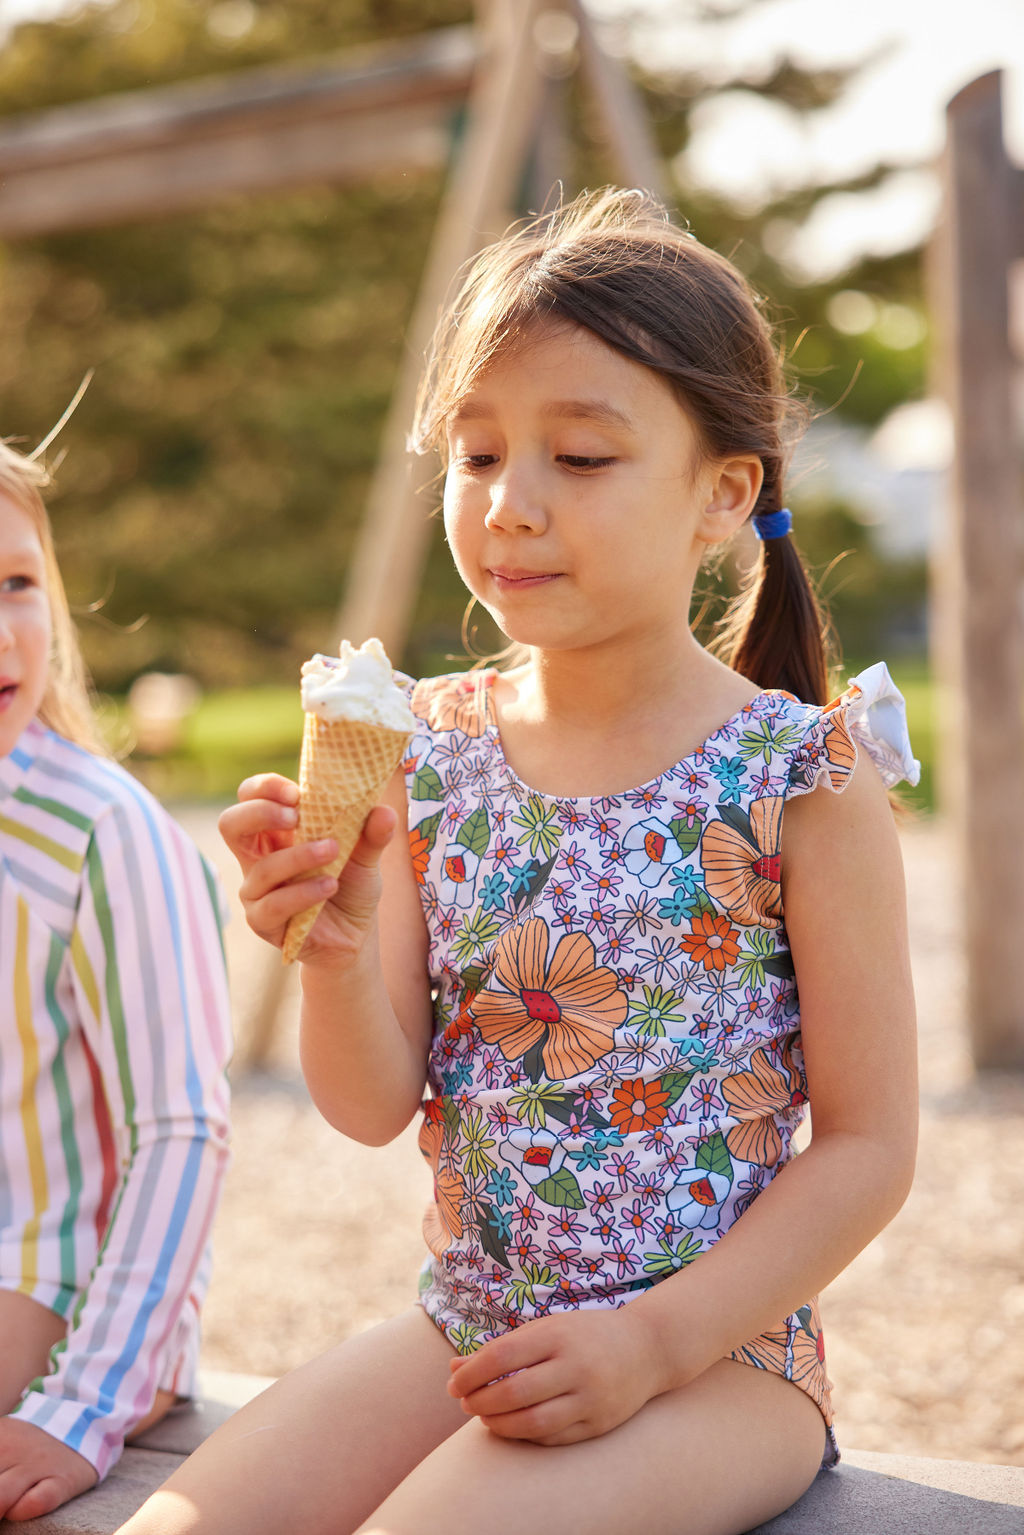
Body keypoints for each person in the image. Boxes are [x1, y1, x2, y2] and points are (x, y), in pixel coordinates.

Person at [122, 187, 918, 1535]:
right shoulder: (425, 749)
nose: (510, 504)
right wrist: (331, 945)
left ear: (723, 494)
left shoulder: (804, 777)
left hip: (720, 1365)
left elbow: (869, 1146)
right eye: (477, 452)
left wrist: (653, 1341)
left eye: (582, 457)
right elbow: (371, 1104)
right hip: (470, 1323)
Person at [0, 437, 232, 1522]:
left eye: (18, 583)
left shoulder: (100, 832)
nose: (5, 631)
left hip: (58, 1289)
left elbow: (181, 1127)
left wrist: (82, 1404)